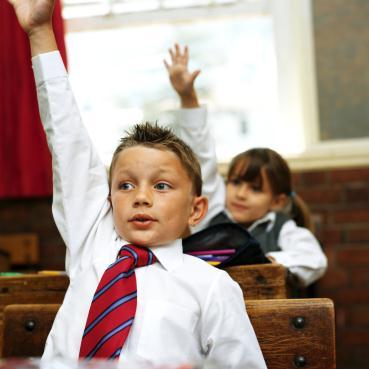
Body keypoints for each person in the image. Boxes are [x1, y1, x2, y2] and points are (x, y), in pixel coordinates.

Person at [8, 0, 267, 368]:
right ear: (109, 199)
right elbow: (68, 141)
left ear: (196, 208)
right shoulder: (93, 245)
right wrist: (40, 32)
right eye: (126, 186)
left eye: (161, 187)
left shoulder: (211, 288)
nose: (141, 197)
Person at [164, 44, 327, 288]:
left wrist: (264, 262)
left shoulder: (284, 230)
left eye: (256, 189)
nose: (241, 193)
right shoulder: (213, 210)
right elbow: (201, 155)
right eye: (236, 182)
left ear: (277, 202)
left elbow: (314, 261)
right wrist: (188, 98)